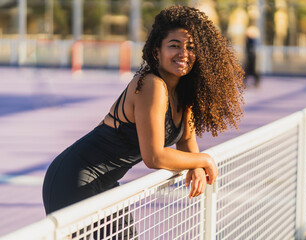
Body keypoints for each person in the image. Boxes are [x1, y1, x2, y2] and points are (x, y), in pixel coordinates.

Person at [42, 4, 245, 237]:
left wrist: (196, 164)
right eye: (174, 46)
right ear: (157, 51)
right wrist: (205, 159)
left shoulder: (183, 92)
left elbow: (186, 140)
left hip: (105, 182)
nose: (184, 53)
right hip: (74, 176)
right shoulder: (151, 84)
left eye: (191, 47)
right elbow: (154, 156)